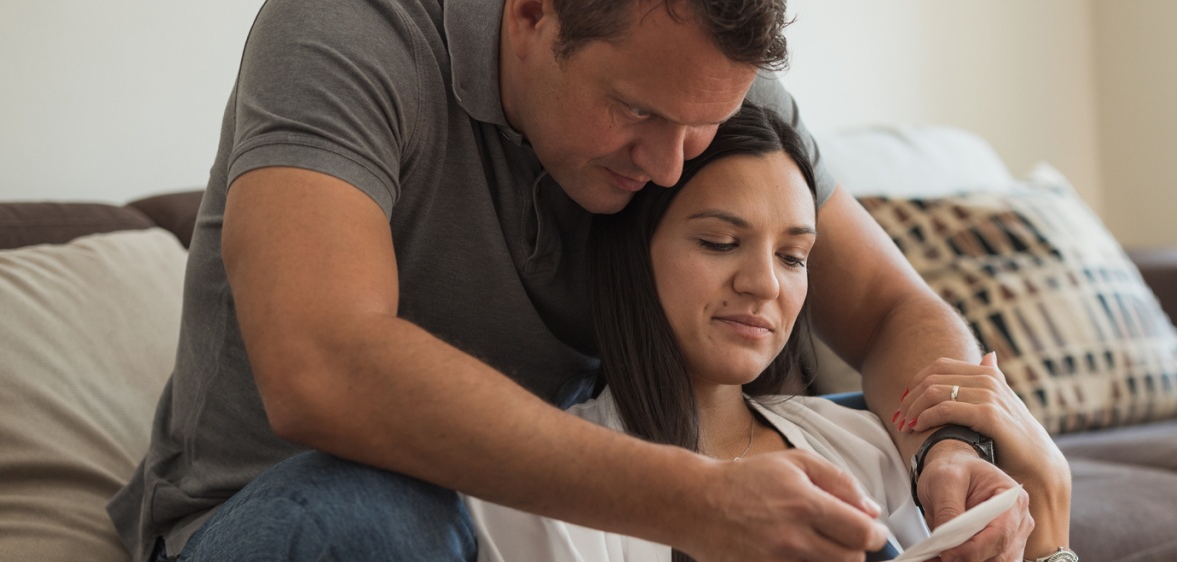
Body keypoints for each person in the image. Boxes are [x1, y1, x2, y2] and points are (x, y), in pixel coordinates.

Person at [105, 0, 1068, 561]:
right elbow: (321, 362)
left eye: (700, 129)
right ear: (530, 12)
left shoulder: (701, 79)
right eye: (635, 113)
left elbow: (897, 307)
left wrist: (944, 446)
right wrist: (700, 498)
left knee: (859, 443)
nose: (668, 165)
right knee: (378, 508)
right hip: (297, 515)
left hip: (560, 511)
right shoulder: (349, 33)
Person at [467, 103, 1072, 562]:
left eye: (793, 257)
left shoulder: (876, 451)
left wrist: (1051, 523)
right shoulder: (544, 497)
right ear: (632, 256)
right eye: (719, 242)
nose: (765, 284)